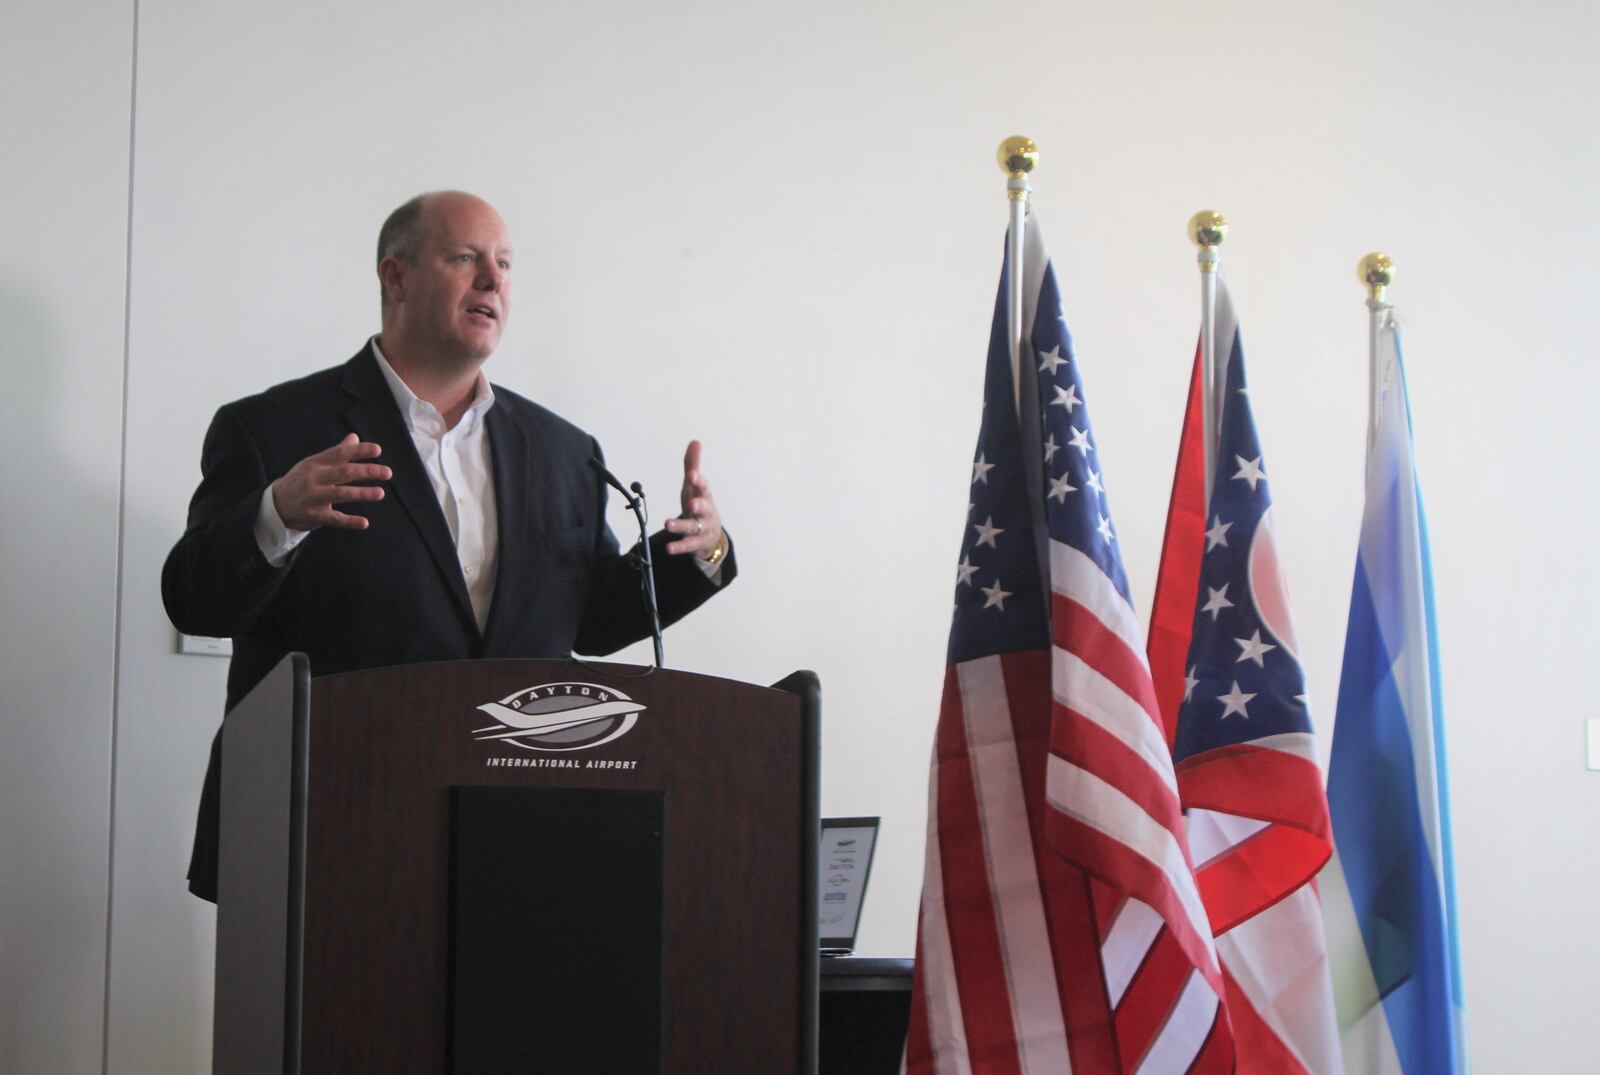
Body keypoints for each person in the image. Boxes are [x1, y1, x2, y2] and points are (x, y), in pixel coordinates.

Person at [163, 191, 735, 902]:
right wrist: (277, 512)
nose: (493, 281)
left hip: (515, 834)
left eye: (503, 263)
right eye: (465, 258)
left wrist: (699, 551)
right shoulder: (277, 428)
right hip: (326, 832)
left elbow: (591, 617)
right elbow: (194, 597)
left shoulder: (561, 450)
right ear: (395, 279)